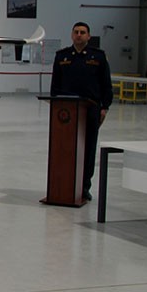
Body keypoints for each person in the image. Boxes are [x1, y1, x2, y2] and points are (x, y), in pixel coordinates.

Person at [50, 21, 113, 201]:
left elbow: (106, 84)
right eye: (76, 32)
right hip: (66, 112)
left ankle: (84, 186)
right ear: (72, 35)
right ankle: (64, 184)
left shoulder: (98, 57)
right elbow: (55, 85)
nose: (79, 35)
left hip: (90, 109)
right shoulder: (62, 56)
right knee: (64, 147)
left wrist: (104, 107)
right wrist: (55, 104)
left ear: (88, 36)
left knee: (88, 148)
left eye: (82, 32)